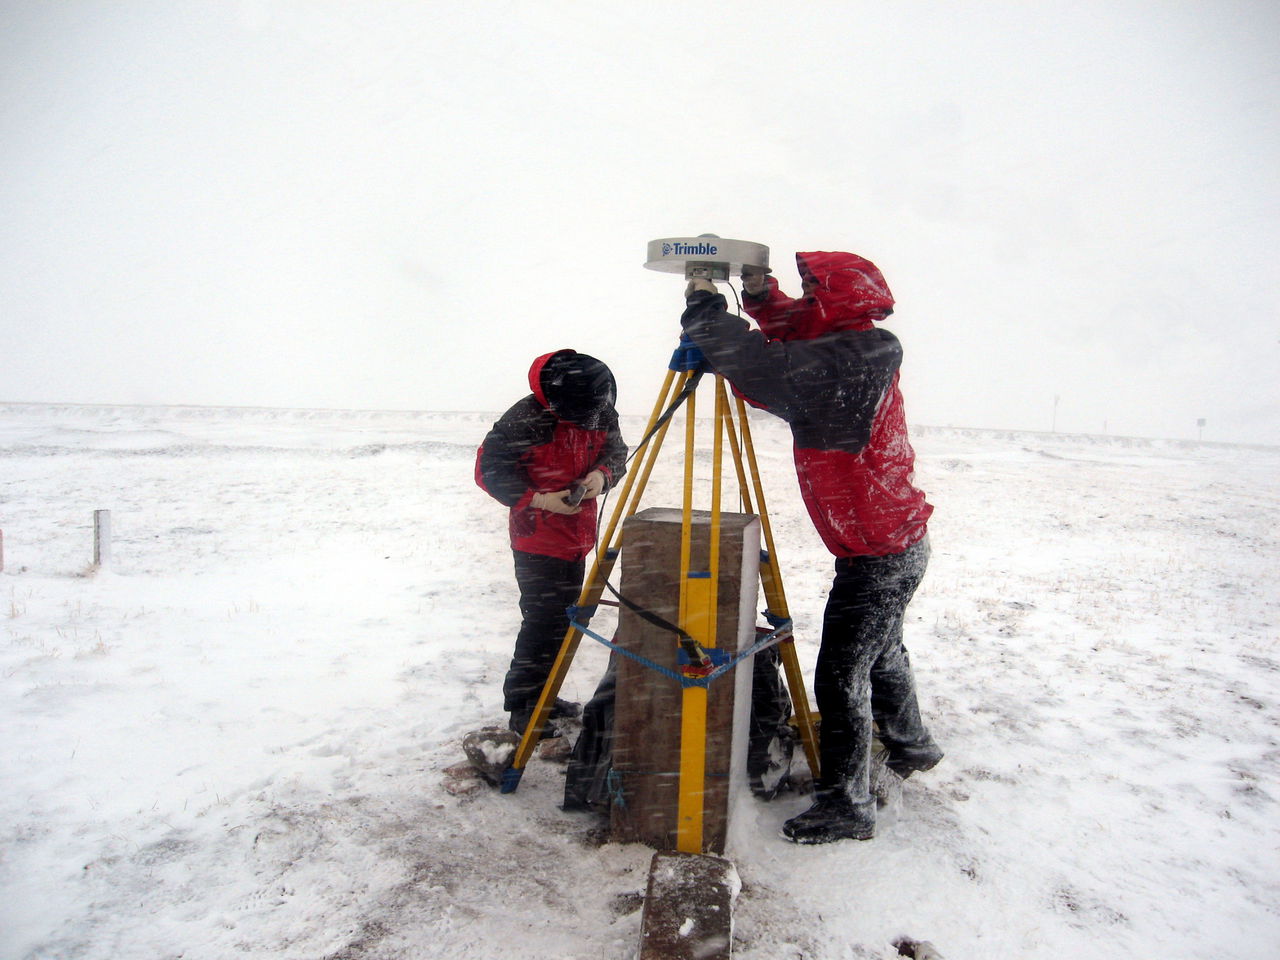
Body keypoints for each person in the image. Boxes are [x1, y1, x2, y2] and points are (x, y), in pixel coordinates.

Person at [680, 251, 943, 844]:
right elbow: (798, 329)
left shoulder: (859, 360)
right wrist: (759, 290)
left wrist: (704, 309)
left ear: (837, 301)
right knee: (883, 649)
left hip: (879, 555)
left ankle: (848, 807)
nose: (806, 302)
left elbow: (765, 368)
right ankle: (912, 744)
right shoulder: (850, 344)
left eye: (813, 291)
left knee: (840, 675)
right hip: (891, 543)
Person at [475, 349, 627, 739]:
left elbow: (617, 452)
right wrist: (539, 499)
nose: (593, 419)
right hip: (536, 541)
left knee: (562, 625)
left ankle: (546, 695)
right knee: (542, 624)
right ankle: (524, 707)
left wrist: (602, 476)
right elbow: (488, 472)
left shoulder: (597, 406)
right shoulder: (522, 421)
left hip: (578, 538)